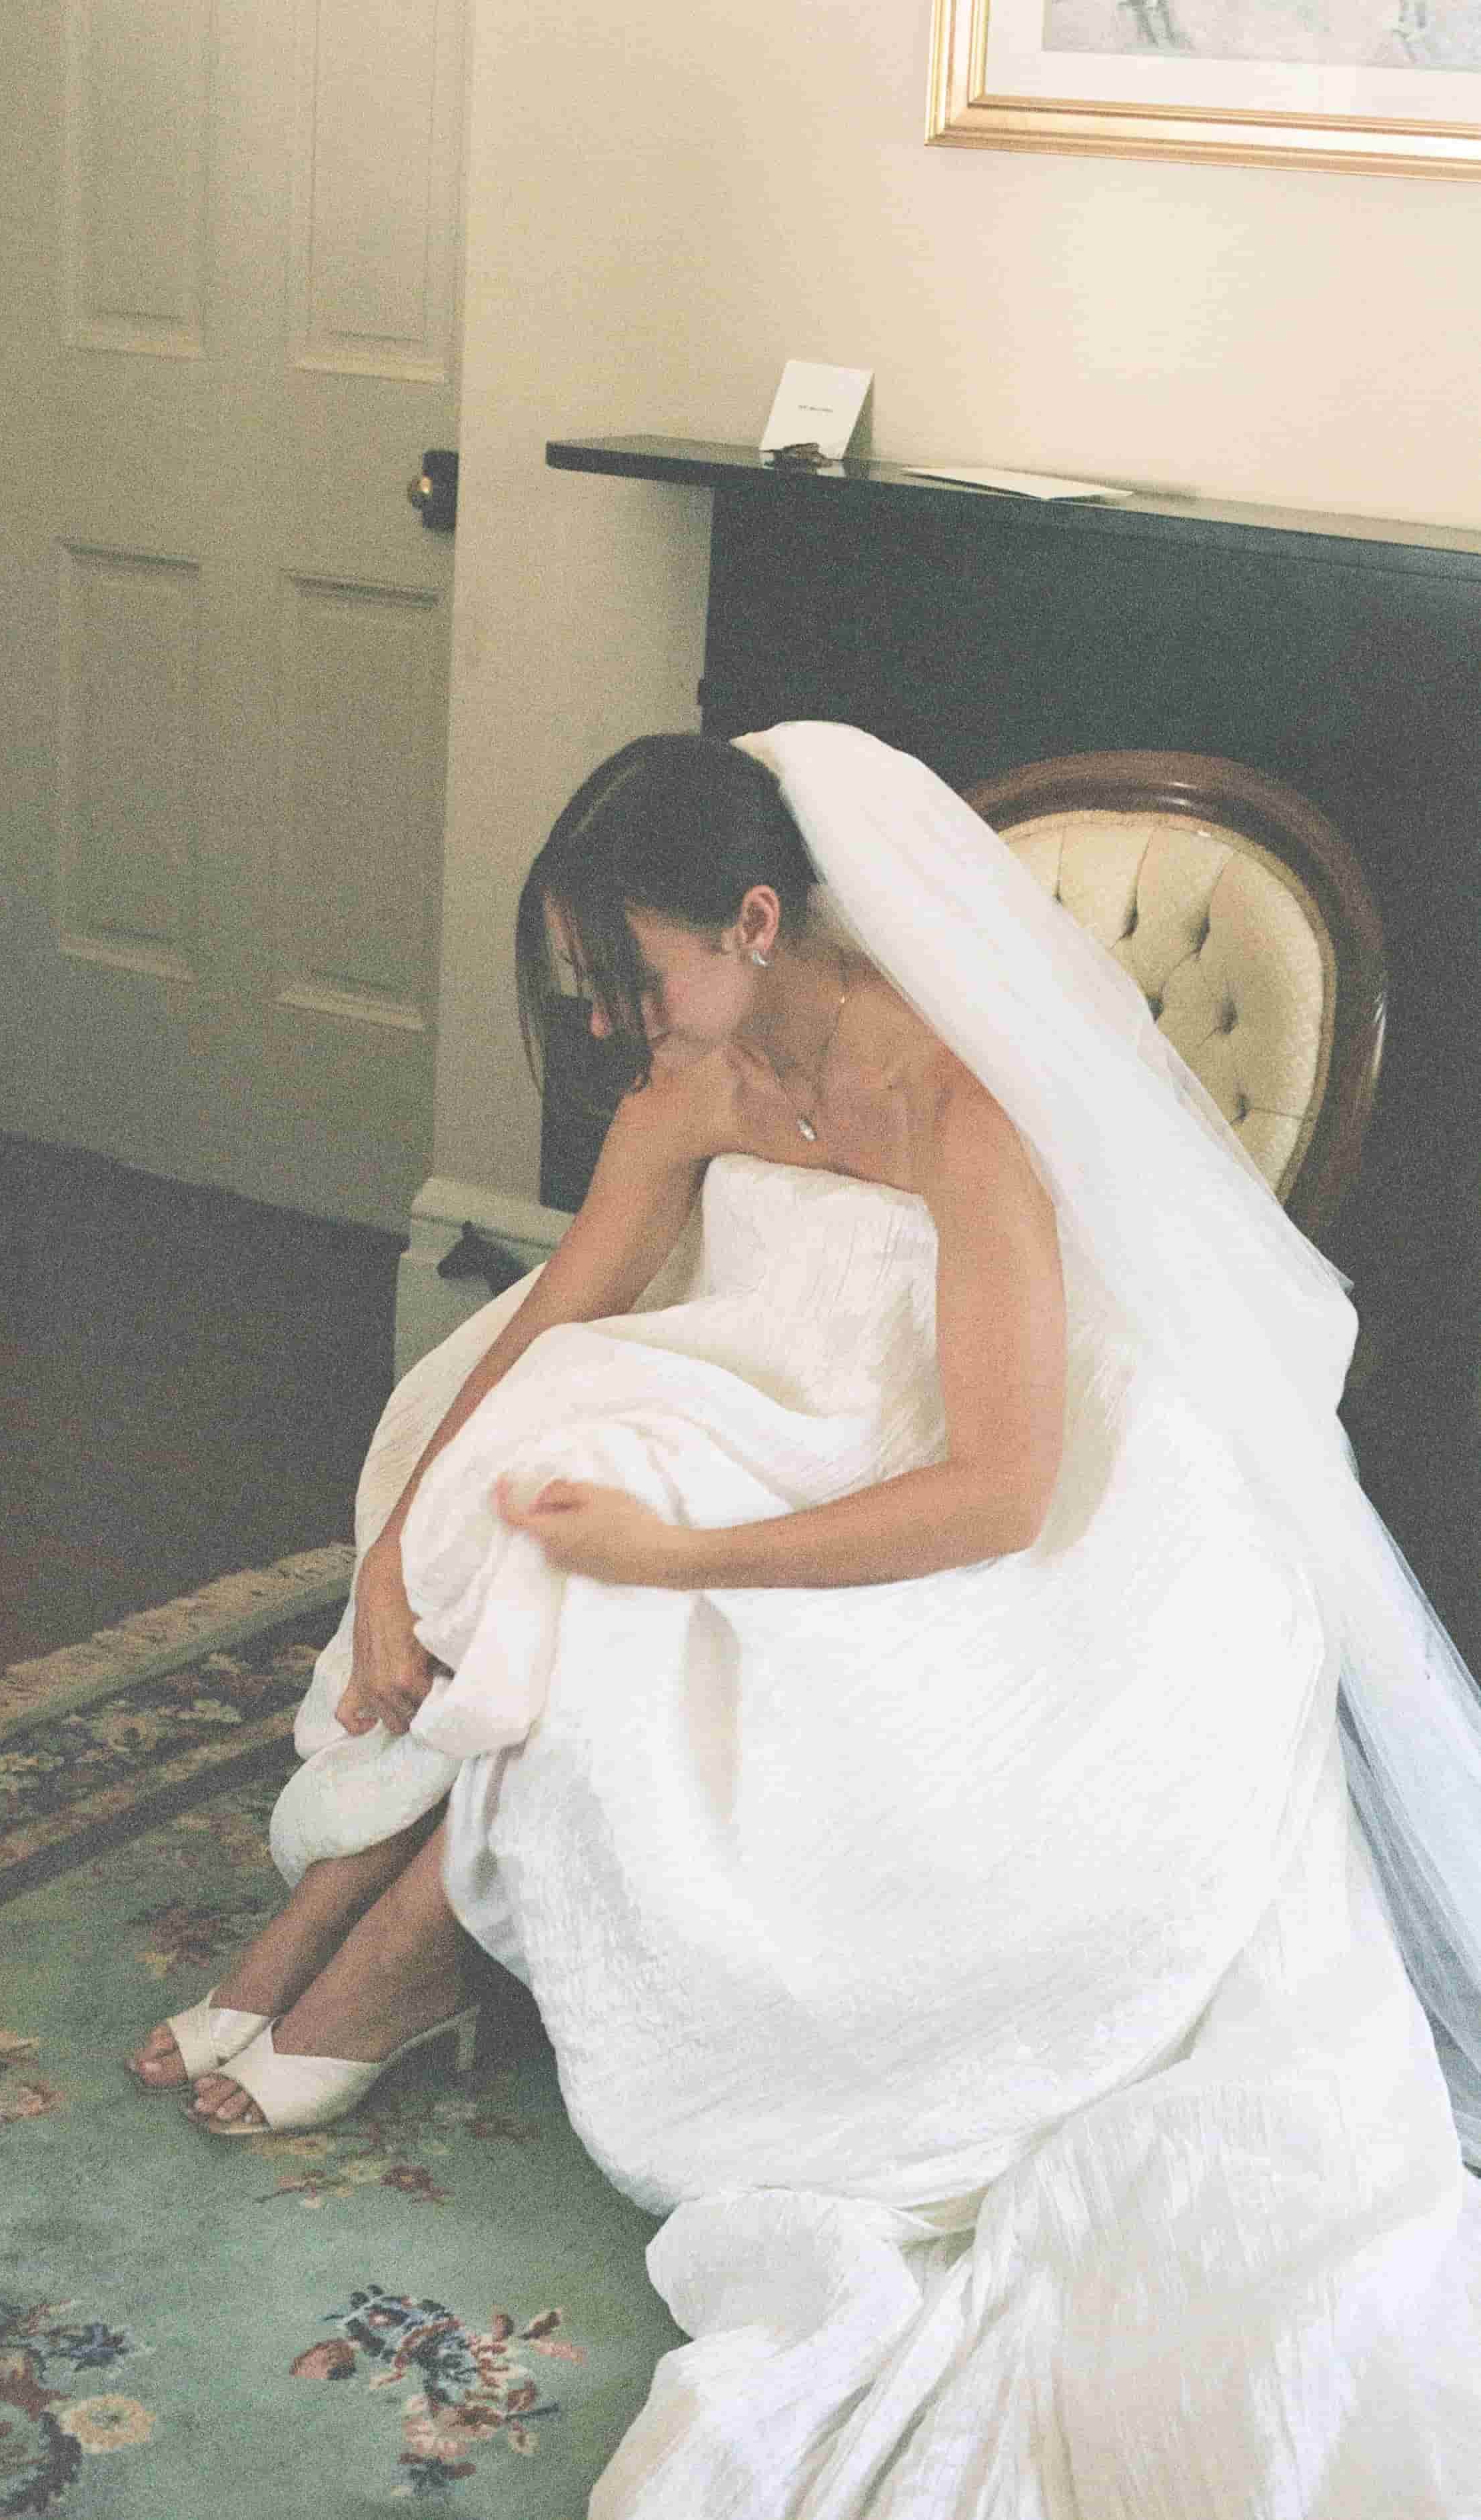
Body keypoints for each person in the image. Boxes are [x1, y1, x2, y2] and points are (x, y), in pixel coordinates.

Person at [129, 723, 1481, 2517]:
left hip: (1019, 1509)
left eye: (630, 975)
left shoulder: (966, 1100)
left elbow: (1001, 1488)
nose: (605, 1018)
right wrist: (389, 1566)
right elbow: (547, 1318)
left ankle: (394, 1943)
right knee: (560, 1422)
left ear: (756, 922)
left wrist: (673, 1557)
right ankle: (363, 1911)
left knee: (613, 1540)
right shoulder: (694, 1081)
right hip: (779, 1423)